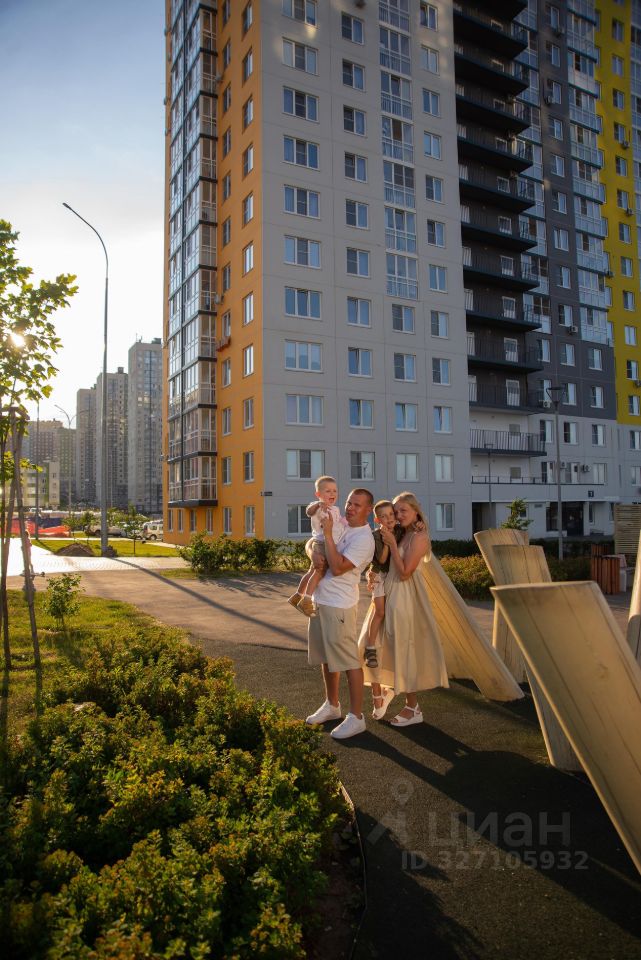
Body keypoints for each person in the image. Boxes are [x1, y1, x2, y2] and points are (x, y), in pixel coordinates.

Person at [360, 492, 448, 726]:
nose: (398, 515)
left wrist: (391, 543)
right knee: (374, 643)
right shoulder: (401, 532)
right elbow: (383, 560)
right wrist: (372, 572)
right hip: (387, 590)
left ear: (416, 511)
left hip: (404, 595)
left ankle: (413, 707)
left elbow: (406, 572)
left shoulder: (419, 537)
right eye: (396, 511)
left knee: (402, 648)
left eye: (403, 511)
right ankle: (381, 692)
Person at [305, 488, 375, 740]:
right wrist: (313, 551)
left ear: (368, 510)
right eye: (349, 502)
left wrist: (326, 535)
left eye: (357, 505)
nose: (350, 508)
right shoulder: (341, 523)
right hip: (321, 600)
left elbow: (336, 567)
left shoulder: (364, 539)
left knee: (348, 661)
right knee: (327, 657)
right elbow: (313, 540)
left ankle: (356, 718)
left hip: (339, 604)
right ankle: (332, 705)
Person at [288, 475, 347, 618]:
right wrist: (318, 504)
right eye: (328, 491)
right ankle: (307, 600)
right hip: (321, 543)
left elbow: (339, 522)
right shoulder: (317, 507)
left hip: (328, 543)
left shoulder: (336, 509)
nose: (332, 494)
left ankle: (297, 596)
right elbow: (308, 512)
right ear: (318, 494)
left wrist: (347, 523)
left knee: (311, 572)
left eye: (335, 491)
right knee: (319, 571)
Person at [362, 500, 398, 669]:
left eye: (391, 514)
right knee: (380, 611)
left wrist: (419, 523)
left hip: (393, 575)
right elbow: (382, 560)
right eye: (383, 516)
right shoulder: (376, 535)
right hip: (378, 575)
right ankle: (370, 648)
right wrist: (388, 541)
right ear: (377, 520)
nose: (389, 518)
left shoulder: (400, 530)